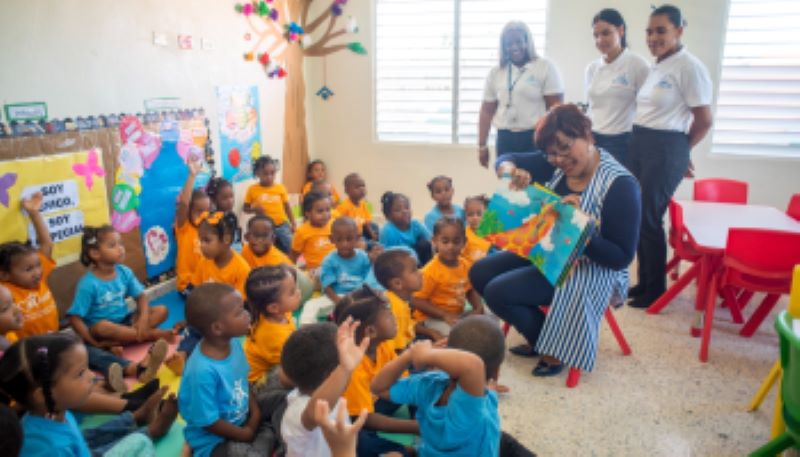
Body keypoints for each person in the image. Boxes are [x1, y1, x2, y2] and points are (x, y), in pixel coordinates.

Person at [470, 104, 641, 376]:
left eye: (564, 147)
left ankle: (554, 348)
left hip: (591, 266)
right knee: (480, 272)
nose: (559, 159)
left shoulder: (620, 185)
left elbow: (621, 257)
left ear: (588, 136)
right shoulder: (554, 163)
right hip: (550, 249)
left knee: (497, 292)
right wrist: (509, 171)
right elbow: (506, 157)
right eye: (551, 153)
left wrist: (582, 229)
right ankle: (543, 336)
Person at [628, 4, 713, 309]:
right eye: (649, 32)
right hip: (641, 143)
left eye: (661, 30)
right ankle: (643, 282)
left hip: (665, 147)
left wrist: (682, 150)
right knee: (639, 217)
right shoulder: (658, 66)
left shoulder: (689, 67)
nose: (653, 38)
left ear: (679, 30)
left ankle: (655, 290)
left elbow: (704, 120)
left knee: (649, 218)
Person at [0, 334, 178, 456]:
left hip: (78, 449)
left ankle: (137, 416)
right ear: (42, 395)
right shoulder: (52, 449)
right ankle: (151, 431)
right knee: (139, 442)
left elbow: (77, 442)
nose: (92, 376)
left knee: (88, 435)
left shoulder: (53, 411)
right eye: (80, 373)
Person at [371, 316, 503, 456]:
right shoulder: (474, 408)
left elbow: (379, 388)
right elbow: (473, 366)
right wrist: (424, 355)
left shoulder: (430, 384)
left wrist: (411, 354)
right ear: (496, 374)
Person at [178, 283, 275, 457]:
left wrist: (255, 413)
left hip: (242, 418)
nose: (247, 314)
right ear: (217, 328)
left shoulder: (233, 343)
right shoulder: (201, 371)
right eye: (239, 313)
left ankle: (263, 436)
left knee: (283, 399)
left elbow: (243, 382)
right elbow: (209, 422)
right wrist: (245, 434)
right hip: (214, 440)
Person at [333, 286, 418, 457]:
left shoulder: (383, 345)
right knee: (357, 440)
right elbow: (364, 418)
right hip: (356, 415)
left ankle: (421, 419)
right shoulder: (352, 367)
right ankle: (402, 450)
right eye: (388, 315)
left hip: (376, 400)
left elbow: (402, 382)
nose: (394, 318)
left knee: (422, 381)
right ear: (371, 331)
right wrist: (415, 427)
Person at [68, 225, 173, 346]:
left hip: (125, 321)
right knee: (102, 327)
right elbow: (74, 319)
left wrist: (143, 320)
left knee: (162, 310)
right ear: (95, 253)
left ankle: (117, 342)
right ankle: (151, 335)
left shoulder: (124, 272)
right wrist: (94, 343)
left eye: (121, 244)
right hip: (104, 330)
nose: (120, 249)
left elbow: (141, 297)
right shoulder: (88, 284)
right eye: (112, 245)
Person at [478, 21, 564, 167]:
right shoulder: (496, 72)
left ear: (527, 41)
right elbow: (487, 110)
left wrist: (556, 144)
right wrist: (482, 145)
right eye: (508, 43)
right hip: (505, 138)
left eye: (518, 41)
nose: (514, 47)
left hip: (534, 137)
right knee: (507, 180)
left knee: (534, 179)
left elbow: (556, 110)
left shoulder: (544, 67)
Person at [280, 319, 369, 457]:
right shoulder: (296, 410)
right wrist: (344, 369)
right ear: (331, 376)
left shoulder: (334, 398)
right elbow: (315, 411)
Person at [585, 8, 650, 167]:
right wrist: (586, 133)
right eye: (596, 35)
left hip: (622, 141)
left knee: (616, 182)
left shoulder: (638, 65)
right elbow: (590, 107)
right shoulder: (592, 68)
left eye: (606, 33)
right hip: (593, 139)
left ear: (621, 30)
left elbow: (647, 109)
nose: (600, 40)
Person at [412, 217, 483, 341]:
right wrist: (444, 315)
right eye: (445, 242)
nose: (451, 246)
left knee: (487, 323)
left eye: (456, 242)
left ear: (464, 242)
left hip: (456, 315)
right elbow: (417, 300)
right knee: (460, 336)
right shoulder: (430, 272)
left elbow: (470, 289)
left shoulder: (466, 265)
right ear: (435, 241)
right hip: (431, 318)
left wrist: (478, 307)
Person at [300, 217, 371, 325]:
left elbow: (369, 282)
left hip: (359, 297)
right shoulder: (329, 260)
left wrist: (361, 300)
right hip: (336, 297)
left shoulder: (364, 257)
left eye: (349, 239)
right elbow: (327, 287)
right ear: (332, 239)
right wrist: (339, 303)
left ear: (357, 238)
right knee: (310, 305)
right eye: (339, 240)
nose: (344, 244)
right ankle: (307, 330)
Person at [244, 265, 300, 383]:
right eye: (292, 292)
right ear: (274, 308)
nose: (298, 292)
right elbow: (293, 365)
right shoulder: (274, 336)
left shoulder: (278, 312)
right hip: (258, 382)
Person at [241, 215, 314, 303]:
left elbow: (278, 289)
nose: (260, 240)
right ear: (246, 237)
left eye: (264, 236)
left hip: (298, 288)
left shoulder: (276, 261)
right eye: (256, 236)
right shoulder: (245, 250)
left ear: (273, 239)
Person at [190, 211, 252, 297]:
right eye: (201, 240)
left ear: (226, 239)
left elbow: (240, 301)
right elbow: (195, 289)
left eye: (207, 240)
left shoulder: (242, 269)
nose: (202, 245)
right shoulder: (203, 261)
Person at [244, 156, 297, 254]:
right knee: (268, 250)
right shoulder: (252, 189)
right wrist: (254, 209)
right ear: (257, 173)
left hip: (281, 224)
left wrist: (293, 223)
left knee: (291, 246)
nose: (269, 177)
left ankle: (290, 262)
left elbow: (287, 207)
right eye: (265, 174)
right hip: (264, 228)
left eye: (272, 173)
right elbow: (245, 208)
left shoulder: (280, 188)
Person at [373, 249, 422, 352]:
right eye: (414, 270)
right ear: (397, 283)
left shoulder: (400, 300)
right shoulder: (395, 308)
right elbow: (399, 350)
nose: (421, 273)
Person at [379, 192, 432, 266]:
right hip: (398, 263)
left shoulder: (415, 224)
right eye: (398, 210)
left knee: (424, 244)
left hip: (417, 261)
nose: (404, 211)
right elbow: (385, 257)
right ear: (388, 216)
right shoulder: (387, 231)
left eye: (407, 208)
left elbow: (431, 240)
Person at [291, 191, 336, 277]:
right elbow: (294, 255)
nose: (325, 214)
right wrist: (293, 272)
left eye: (328, 210)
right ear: (308, 213)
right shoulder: (302, 231)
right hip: (316, 270)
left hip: (335, 265)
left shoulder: (333, 225)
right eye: (320, 211)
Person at [337, 173, 379, 242]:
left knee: (374, 226)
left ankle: (372, 242)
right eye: (357, 187)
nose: (362, 189)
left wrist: (372, 235)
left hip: (361, 232)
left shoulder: (363, 204)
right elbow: (339, 227)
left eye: (363, 186)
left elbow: (366, 223)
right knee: (364, 241)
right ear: (347, 190)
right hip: (351, 236)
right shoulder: (344, 207)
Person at [206, 176, 242, 247]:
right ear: (214, 200)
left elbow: (237, 238)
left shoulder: (232, 216)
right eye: (225, 198)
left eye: (231, 196)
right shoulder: (212, 220)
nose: (230, 201)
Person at [462, 195, 493, 267]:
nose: (475, 218)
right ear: (465, 216)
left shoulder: (491, 233)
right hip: (471, 269)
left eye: (479, 214)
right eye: (470, 215)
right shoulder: (463, 235)